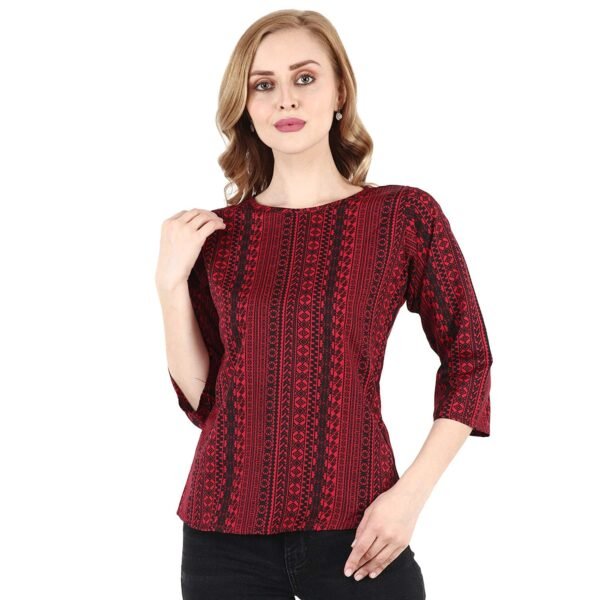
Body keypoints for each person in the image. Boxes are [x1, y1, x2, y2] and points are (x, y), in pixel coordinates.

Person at [155, 9, 493, 600]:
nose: (285, 98)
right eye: (264, 84)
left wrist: (408, 498)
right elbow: (205, 399)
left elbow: (469, 360)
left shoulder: (402, 215)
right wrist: (169, 285)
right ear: (246, 106)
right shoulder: (216, 237)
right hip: (222, 536)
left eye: (304, 78)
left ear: (339, 92)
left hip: (362, 527)